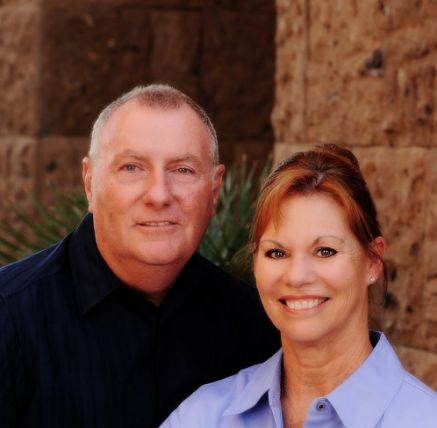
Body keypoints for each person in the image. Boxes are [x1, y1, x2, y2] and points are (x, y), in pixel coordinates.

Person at [0, 84, 279, 428]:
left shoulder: (255, 325)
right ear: (89, 183)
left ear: (214, 190)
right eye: (132, 167)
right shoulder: (9, 316)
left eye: (182, 170)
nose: (159, 194)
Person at [161, 144, 437, 428]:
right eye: (277, 253)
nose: (296, 276)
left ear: (373, 261)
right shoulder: (201, 416)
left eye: (325, 251)